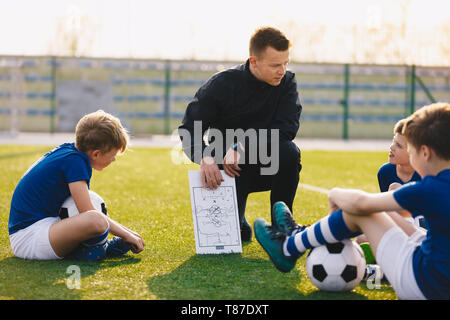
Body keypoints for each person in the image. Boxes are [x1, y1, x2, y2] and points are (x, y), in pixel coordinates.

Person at [254, 102, 450, 299]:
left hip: (427, 285)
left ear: (425, 152)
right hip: (433, 258)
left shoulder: (433, 187)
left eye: (412, 152)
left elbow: (361, 204)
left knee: (363, 212)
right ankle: (299, 235)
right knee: (387, 212)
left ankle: (289, 247)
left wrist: (335, 194)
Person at [179, 26, 303, 242]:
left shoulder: (287, 83)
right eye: (275, 65)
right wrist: (204, 157)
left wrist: (242, 146)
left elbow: (287, 128)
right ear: (253, 62)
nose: (282, 71)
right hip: (226, 169)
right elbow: (189, 127)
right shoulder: (220, 85)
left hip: (265, 164)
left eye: (285, 63)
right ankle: (238, 217)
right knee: (234, 236)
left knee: (289, 152)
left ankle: (282, 227)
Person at [8, 110, 145, 261]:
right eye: (113, 155)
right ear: (96, 154)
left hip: (41, 229)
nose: (114, 160)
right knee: (95, 219)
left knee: (91, 204)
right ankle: (100, 249)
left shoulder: (71, 152)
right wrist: (126, 234)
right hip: (29, 238)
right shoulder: (75, 162)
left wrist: (128, 233)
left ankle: (97, 246)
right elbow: (88, 213)